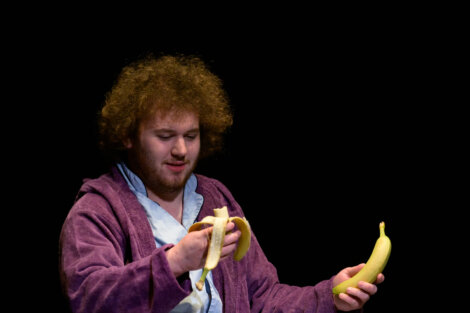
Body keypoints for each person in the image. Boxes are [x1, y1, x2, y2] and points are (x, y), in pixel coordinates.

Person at [59, 54, 385, 313]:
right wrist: (175, 262)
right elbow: (90, 299)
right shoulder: (96, 211)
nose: (181, 150)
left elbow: (262, 297)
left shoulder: (215, 196)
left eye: (191, 135)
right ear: (128, 136)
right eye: (165, 136)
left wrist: (328, 297)